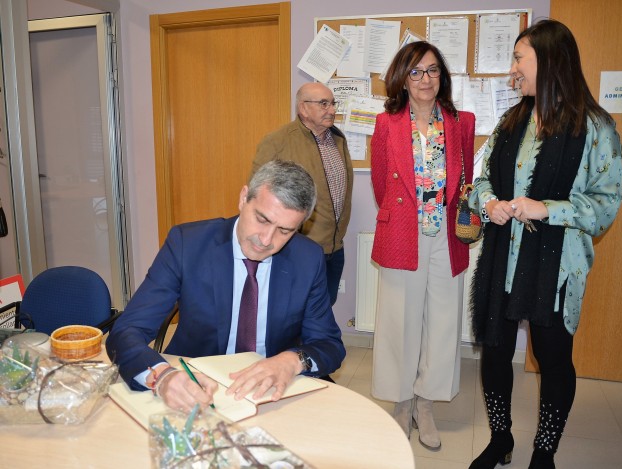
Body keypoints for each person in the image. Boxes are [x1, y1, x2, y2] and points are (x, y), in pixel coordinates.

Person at [467, 20, 622, 469]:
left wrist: (547, 209)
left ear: (550, 60)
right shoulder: (511, 120)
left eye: (520, 57)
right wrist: (489, 202)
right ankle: (500, 439)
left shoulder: (595, 127)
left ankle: (545, 452)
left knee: (553, 357)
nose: (513, 67)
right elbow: (480, 182)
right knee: (495, 350)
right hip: (503, 258)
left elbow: (606, 204)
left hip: (556, 267)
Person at [106, 160, 346, 411]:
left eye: (284, 231)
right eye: (262, 219)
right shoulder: (187, 244)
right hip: (195, 384)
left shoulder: (307, 259)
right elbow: (127, 330)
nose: (266, 240)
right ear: (244, 199)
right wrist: (163, 377)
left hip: (267, 393)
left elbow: (329, 344)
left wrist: (292, 361)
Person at [370, 41, 475, 451]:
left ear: (441, 77)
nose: (425, 79)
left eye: (432, 71)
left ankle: (426, 403)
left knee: (444, 322)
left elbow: (462, 180)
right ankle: (401, 402)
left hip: (447, 236)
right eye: (415, 72)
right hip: (403, 233)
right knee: (400, 322)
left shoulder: (461, 122)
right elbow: (382, 184)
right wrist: (405, 219)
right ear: (403, 78)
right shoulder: (387, 123)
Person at [252, 83, 353, 306]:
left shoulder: (338, 139)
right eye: (323, 104)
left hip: (334, 247)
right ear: (303, 108)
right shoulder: (278, 141)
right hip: (297, 248)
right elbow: (256, 196)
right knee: (294, 311)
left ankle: (315, 343)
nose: (332, 110)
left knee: (324, 309)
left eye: (333, 103)